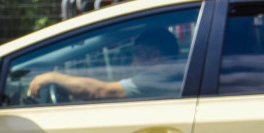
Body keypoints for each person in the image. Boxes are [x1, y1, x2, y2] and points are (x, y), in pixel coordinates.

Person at [27, 24, 182, 101]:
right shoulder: (175, 72)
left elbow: (99, 91)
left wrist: (54, 77)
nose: (133, 63)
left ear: (154, 56)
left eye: (138, 54)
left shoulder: (157, 77)